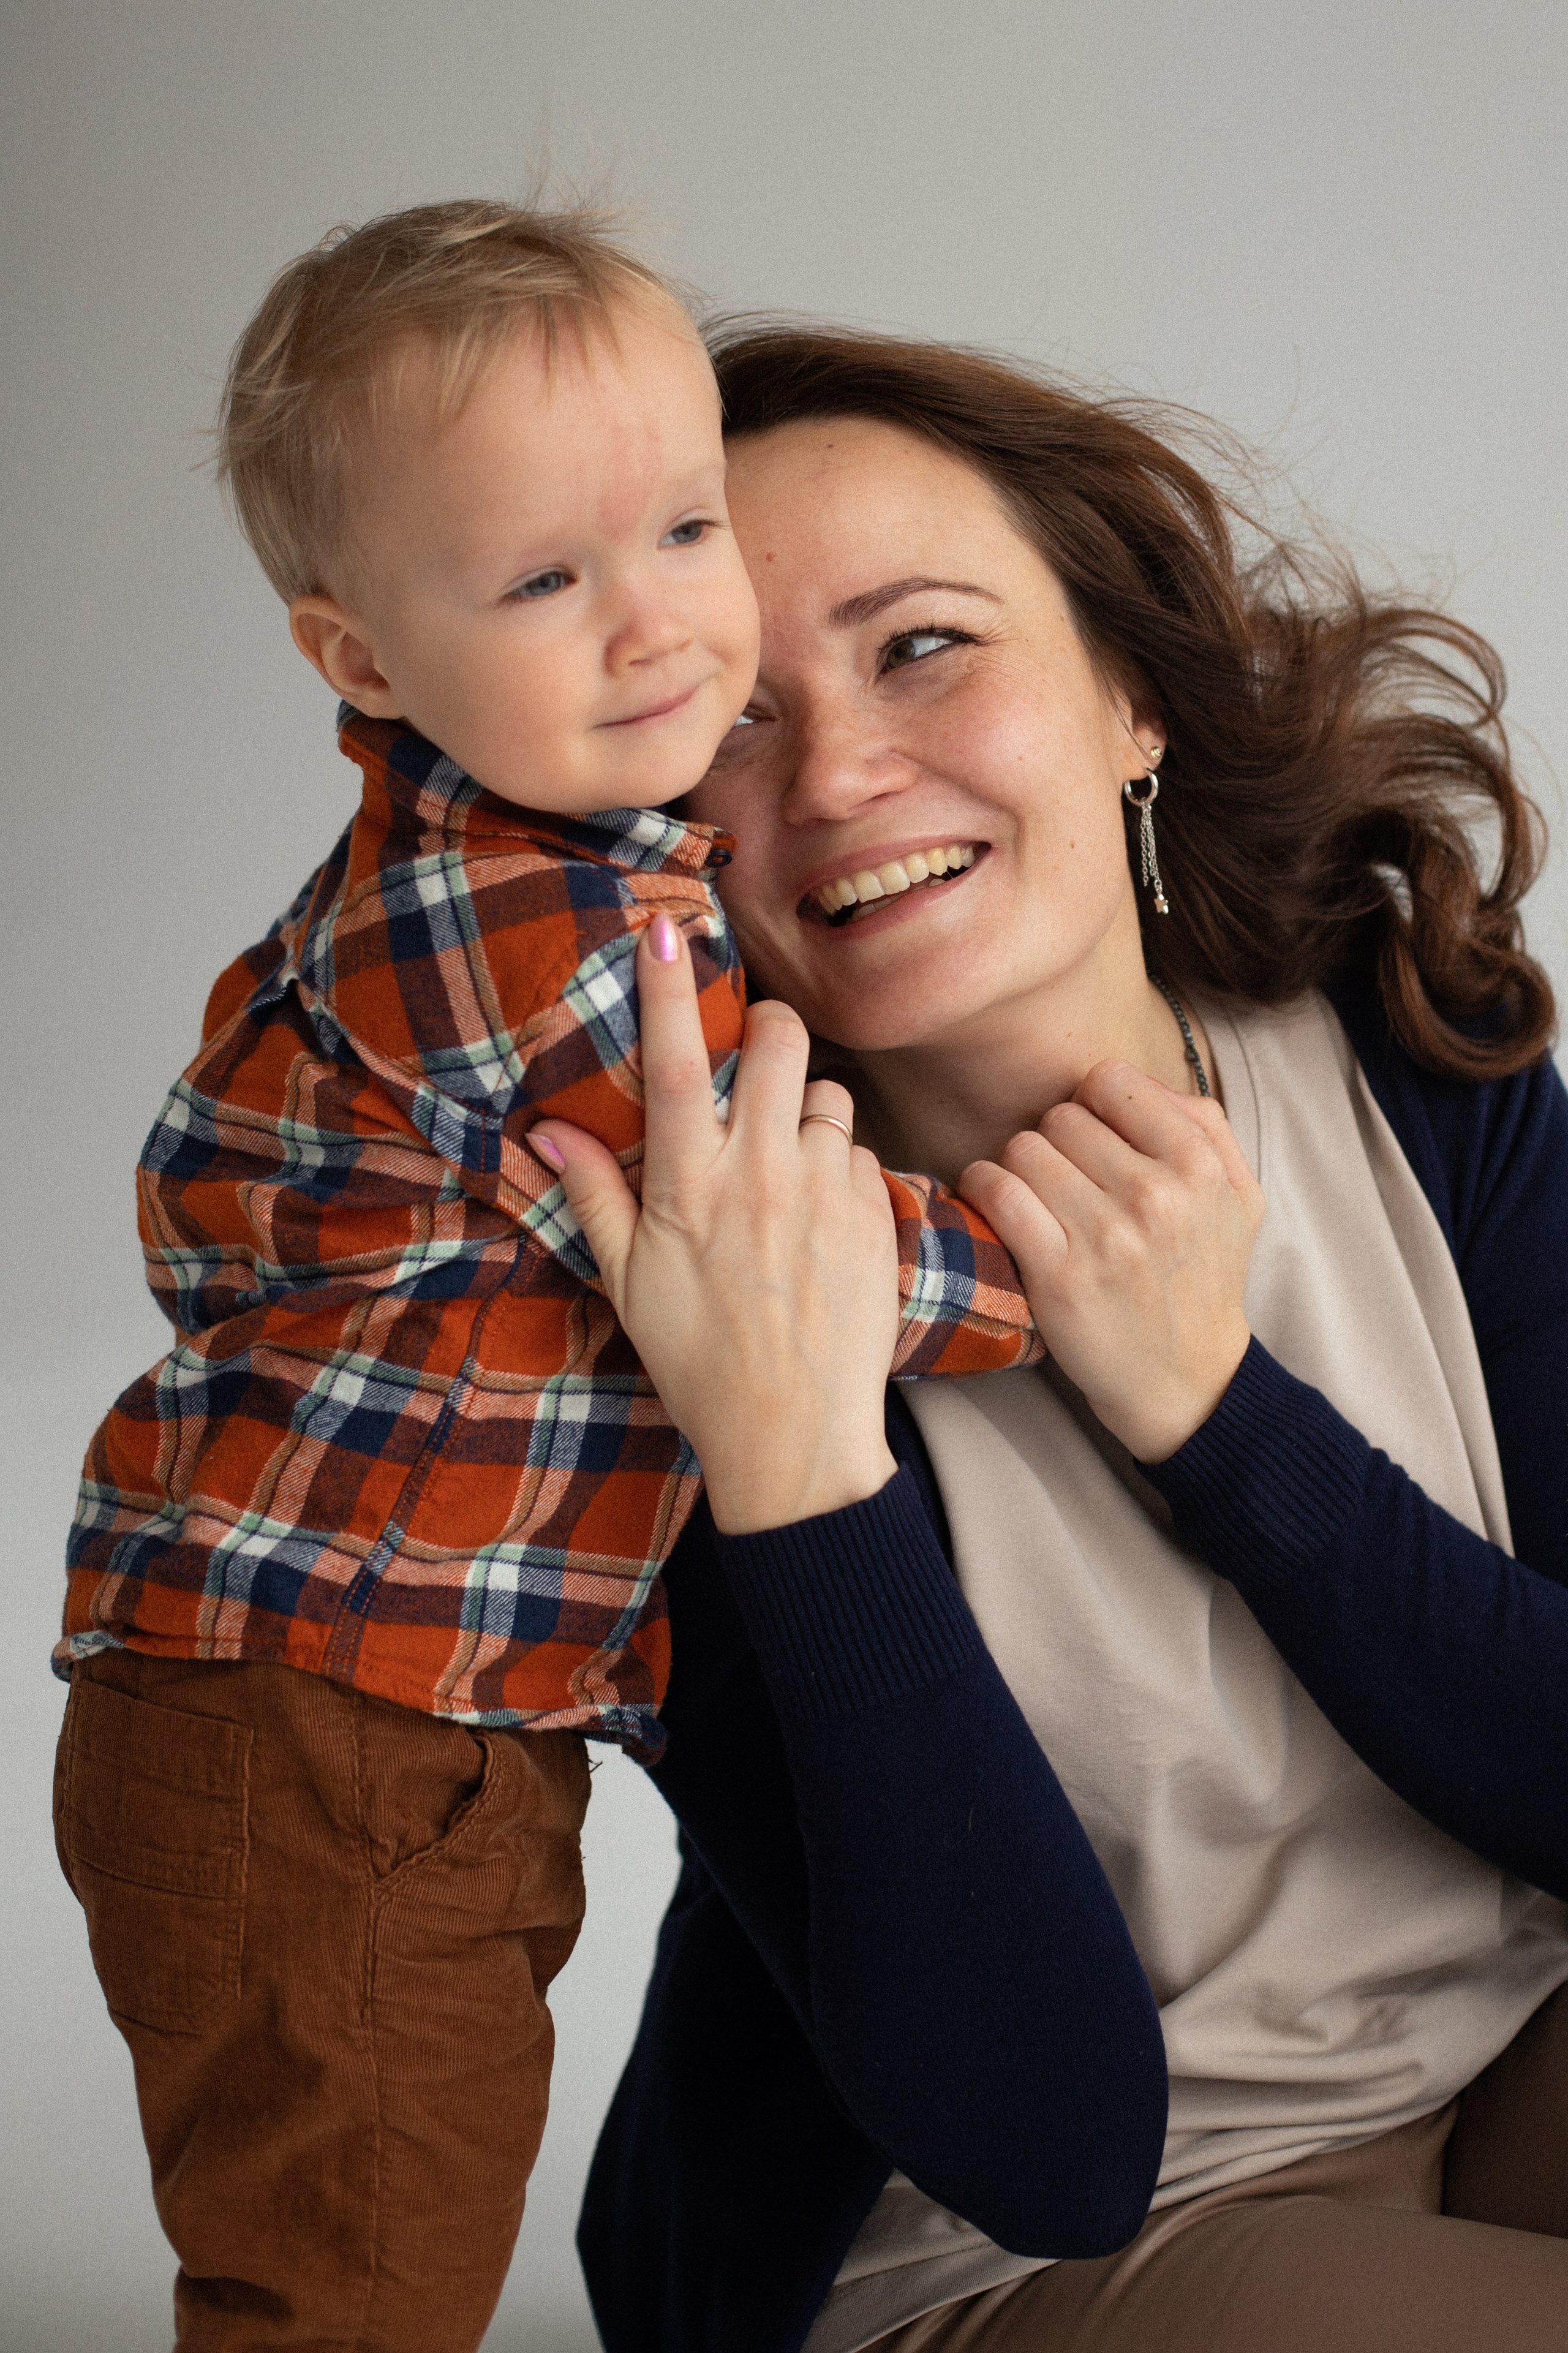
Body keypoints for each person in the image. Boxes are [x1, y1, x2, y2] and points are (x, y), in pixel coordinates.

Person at [53, 214, 1042, 2352]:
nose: (656, 625)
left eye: (685, 526)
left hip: (353, 1715)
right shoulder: (549, 943)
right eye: (541, 579)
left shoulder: (531, 885)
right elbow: (776, 1245)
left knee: (376, 2240)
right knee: (357, 2285)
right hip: (333, 1732)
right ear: (365, 661)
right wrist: (1059, 1262)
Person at [537, 327, 1568, 2353]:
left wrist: (1221, 1419)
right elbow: (1051, 2141)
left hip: (1495, 2056)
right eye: (729, 717)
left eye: (923, 644)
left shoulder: (1412, 1055)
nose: (832, 773)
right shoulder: (678, 1318)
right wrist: (801, 1472)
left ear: (1132, 693)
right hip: (1019, 2255)